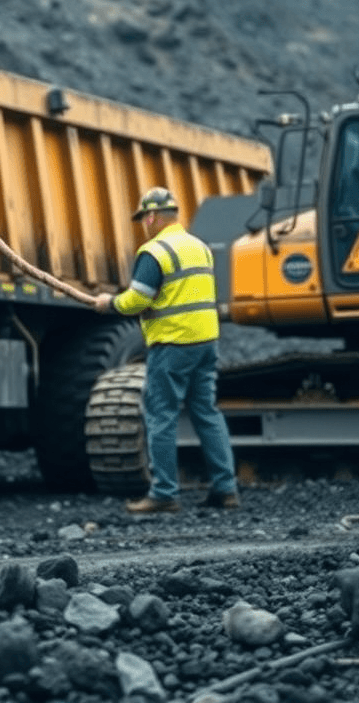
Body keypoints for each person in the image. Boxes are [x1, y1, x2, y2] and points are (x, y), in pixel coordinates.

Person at [91, 186, 239, 514]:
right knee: (207, 413)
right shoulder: (199, 248)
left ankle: (164, 493)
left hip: (172, 344)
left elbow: (138, 299)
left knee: (161, 416)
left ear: (153, 216)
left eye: (144, 218)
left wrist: (108, 303)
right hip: (206, 343)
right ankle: (226, 489)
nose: (143, 224)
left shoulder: (155, 251)